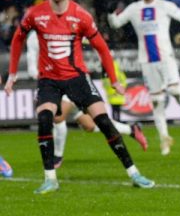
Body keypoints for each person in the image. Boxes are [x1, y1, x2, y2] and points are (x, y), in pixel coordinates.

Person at [5, 0, 154, 194]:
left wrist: (114, 80)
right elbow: (17, 40)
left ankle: (134, 173)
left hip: (76, 78)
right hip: (49, 79)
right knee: (45, 118)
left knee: (102, 122)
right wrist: (13, 74)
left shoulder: (80, 15)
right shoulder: (36, 14)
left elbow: (102, 48)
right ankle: (50, 179)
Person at [25, 30, 148, 169]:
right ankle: (131, 129)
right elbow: (31, 61)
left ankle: (57, 156)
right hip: (51, 83)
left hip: (72, 80)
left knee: (58, 117)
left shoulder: (65, 26)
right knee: (89, 125)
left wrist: (103, 51)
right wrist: (39, 75)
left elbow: (91, 39)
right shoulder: (34, 37)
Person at [108, 0, 180, 156]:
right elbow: (116, 24)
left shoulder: (164, 5)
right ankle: (164, 138)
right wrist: (111, 12)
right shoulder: (134, 9)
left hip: (166, 57)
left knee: (175, 91)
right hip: (147, 60)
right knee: (156, 101)